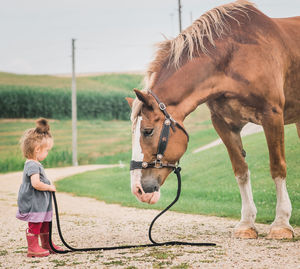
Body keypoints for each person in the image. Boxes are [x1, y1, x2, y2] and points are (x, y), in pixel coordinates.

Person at [16, 118, 63, 257]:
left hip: (41, 203)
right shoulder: (32, 165)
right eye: (47, 150)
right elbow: (35, 183)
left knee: (44, 223)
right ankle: (33, 248)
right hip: (35, 204)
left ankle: (46, 243)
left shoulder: (35, 163)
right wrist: (48, 187)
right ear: (37, 149)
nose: (47, 153)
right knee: (35, 224)